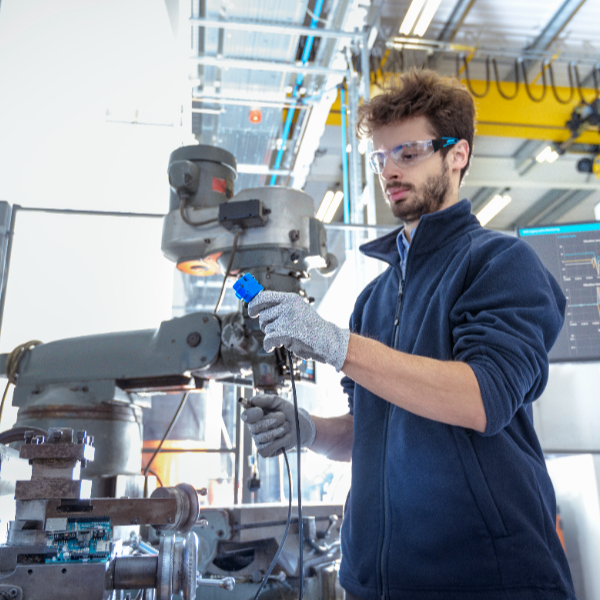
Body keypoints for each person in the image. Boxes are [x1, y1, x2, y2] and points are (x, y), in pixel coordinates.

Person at [242, 69, 576, 600]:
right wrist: (308, 431)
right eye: (380, 157)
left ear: (457, 155)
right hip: (374, 584)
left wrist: (336, 345)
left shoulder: (500, 263)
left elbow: (481, 399)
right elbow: (372, 431)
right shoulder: (373, 299)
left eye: (409, 153)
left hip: (485, 582)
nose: (390, 170)